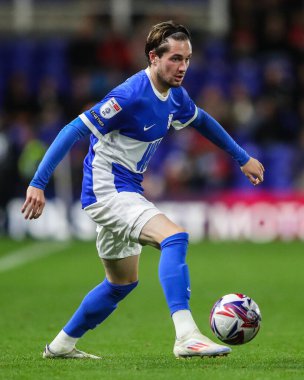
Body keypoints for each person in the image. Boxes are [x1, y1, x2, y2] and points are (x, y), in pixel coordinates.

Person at [21, 21, 264, 359]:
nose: (182, 67)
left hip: (125, 190)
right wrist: (38, 182)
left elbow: (202, 120)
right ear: (153, 57)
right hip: (108, 190)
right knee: (174, 237)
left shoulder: (175, 96)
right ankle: (186, 336)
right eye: (175, 59)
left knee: (120, 283)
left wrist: (242, 157)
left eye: (187, 59)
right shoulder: (129, 94)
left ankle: (61, 345)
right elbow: (71, 129)